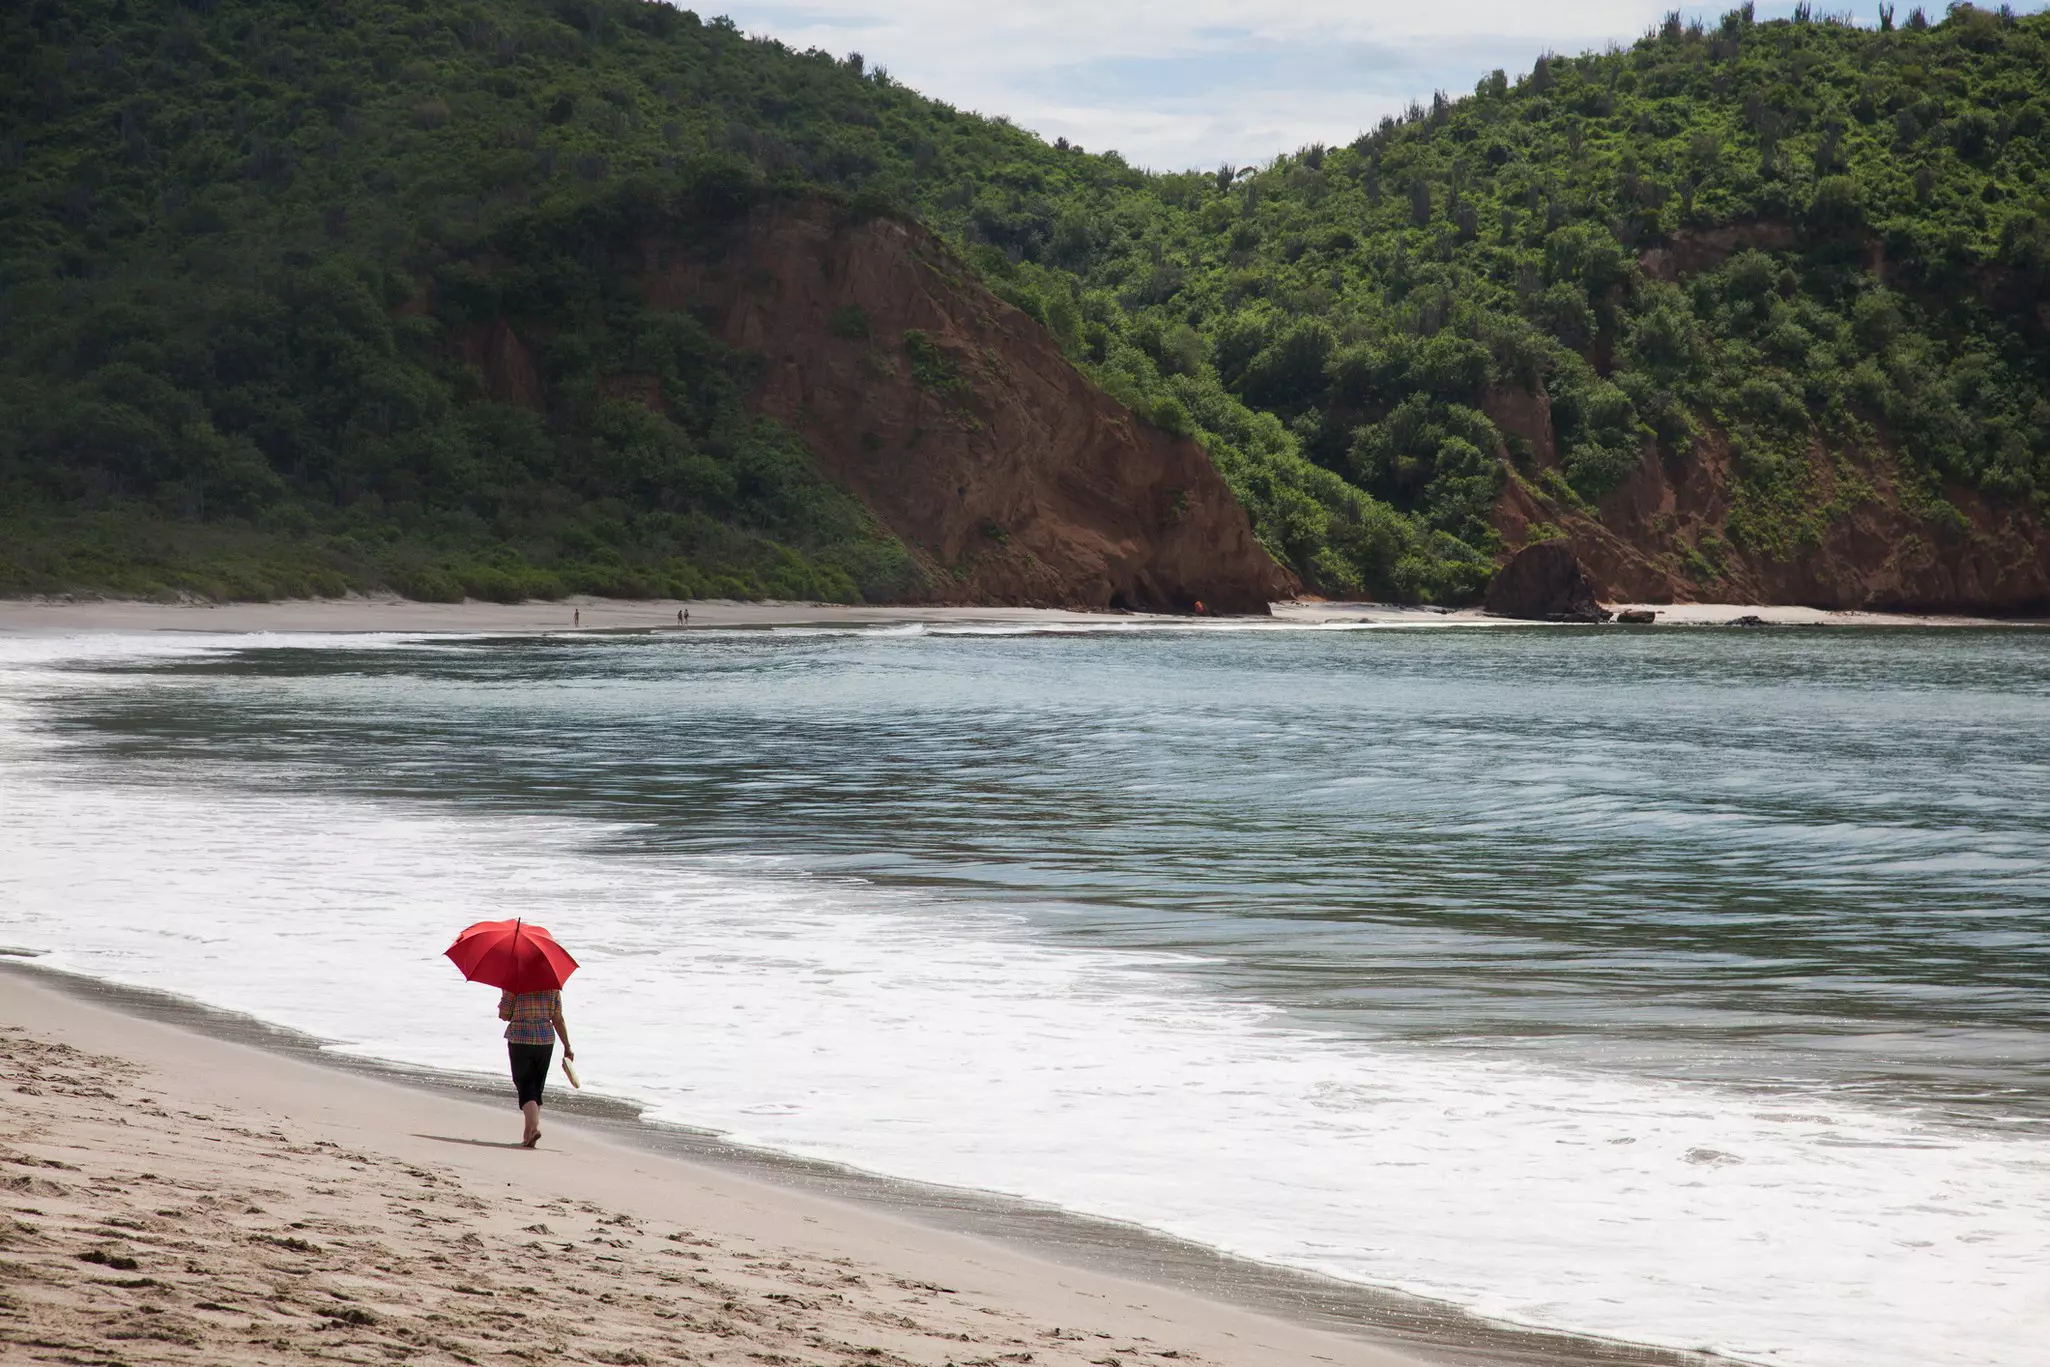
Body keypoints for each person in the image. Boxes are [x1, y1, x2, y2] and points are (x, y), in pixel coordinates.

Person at [498, 987, 573, 1148]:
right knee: (536, 1087)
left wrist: (505, 998)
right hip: (545, 1040)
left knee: (525, 1085)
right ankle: (528, 1134)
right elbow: (558, 1019)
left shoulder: (514, 985)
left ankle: (534, 1128)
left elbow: (504, 1015)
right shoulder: (551, 987)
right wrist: (567, 1046)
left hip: (520, 1038)